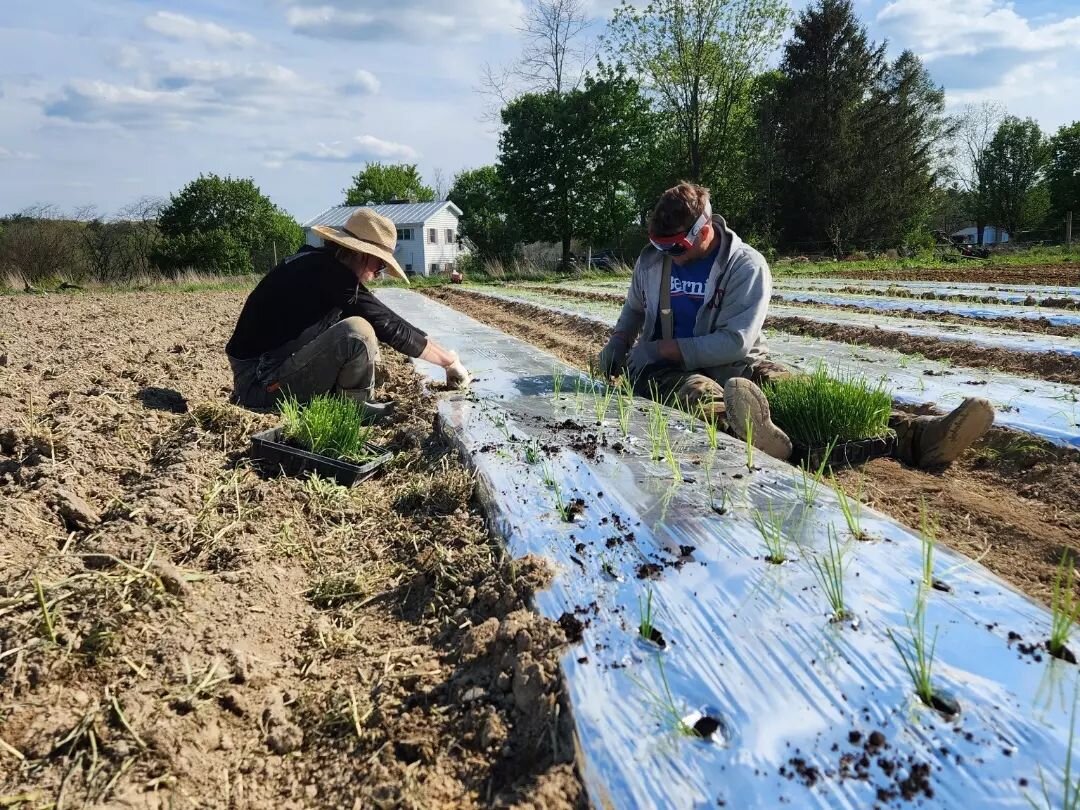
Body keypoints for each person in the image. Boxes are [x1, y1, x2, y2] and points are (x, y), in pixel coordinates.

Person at [596, 182, 995, 469]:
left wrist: (660, 347)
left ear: (704, 229)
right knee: (699, 396)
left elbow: (734, 342)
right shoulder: (652, 260)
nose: (668, 256)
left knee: (802, 391)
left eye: (676, 248)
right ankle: (761, 440)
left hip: (733, 362)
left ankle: (920, 437)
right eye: (660, 246)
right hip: (663, 371)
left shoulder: (745, 265)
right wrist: (620, 341)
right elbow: (634, 309)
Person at [226, 208, 471, 419]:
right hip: (260, 384)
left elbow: (384, 315)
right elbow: (385, 324)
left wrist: (444, 355)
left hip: (264, 373)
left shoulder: (317, 264)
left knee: (359, 327)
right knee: (358, 332)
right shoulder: (327, 274)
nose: (379, 273)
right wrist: (449, 363)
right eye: (379, 264)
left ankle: (343, 398)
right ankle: (354, 410)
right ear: (361, 254)